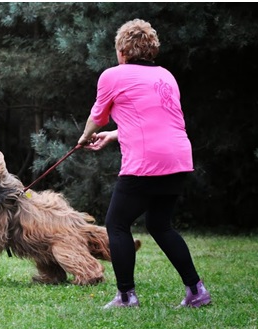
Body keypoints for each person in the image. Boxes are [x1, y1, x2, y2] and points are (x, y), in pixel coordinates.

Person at [77, 19, 211, 308]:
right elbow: (155, 120)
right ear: (151, 49)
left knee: (117, 223)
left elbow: (97, 117)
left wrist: (85, 137)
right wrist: (113, 135)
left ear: (121, 50)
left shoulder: (113, 75)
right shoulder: (166, 76)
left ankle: (126, 296)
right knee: (160, 224)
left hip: (146, 162)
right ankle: (197, 291)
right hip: (178, 158)